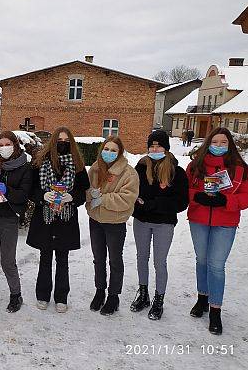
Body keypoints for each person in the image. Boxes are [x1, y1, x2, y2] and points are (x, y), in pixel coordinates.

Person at [186, 127, 248, 335]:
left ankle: (215, 310)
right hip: (199, 220)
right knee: (201, 260)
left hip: (226, 222)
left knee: (216, 266)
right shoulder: (195, 165)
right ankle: (202, 298)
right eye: (215, 142)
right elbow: (183, 188)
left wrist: (227, 200)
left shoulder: (241, 168)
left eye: (224, 142)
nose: (219, 146)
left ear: (230, 144)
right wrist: (197, 196)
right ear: (208, 143)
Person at [27, 127, 90, 313]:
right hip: (45, 218)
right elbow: (31, 189)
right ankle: (43, 295)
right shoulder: (40, 162)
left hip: (66, 219)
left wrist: (72, 197)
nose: (62, 143)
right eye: (59, 140)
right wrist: (42, 196)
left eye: (66, 140)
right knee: (45, 258)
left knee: (63, 259)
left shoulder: (76, 164)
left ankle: (61, 297)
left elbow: (82, 190)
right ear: (53, 141)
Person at [131, 130, 189, 320]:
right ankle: (144, 294)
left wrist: (154, 204)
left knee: (159, 262)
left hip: (164, 223)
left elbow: (181, 202)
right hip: (141, 221)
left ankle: (159, 299)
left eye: (159, 146)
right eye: (151, 146)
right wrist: (135, 206)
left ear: (166, 148)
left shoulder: (176, 171)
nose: (154, 149)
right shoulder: (140, 168)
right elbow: (131, 192)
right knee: (141, 258)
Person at [0, 131, 33, 313]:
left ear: (15, 145)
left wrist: (7, 190)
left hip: (9, 217)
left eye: (7, 144)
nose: (4, 148)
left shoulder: (24, 167)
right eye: (0, 145)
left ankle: (15, 294)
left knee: (8, 261)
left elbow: (24, 196)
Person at [86, 136, 139, 316]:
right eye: (106, 149)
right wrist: (89, 195)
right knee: (98, 258)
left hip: (115, 222)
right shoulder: (95, 169)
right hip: (95, 220)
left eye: (113, 150)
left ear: (120, 152)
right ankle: (100, 291)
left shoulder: (128, 173)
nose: (109, 153)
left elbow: (127, 198)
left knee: (115, 260)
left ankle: (113, 296)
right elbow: (87, 190)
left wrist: (103, 199)